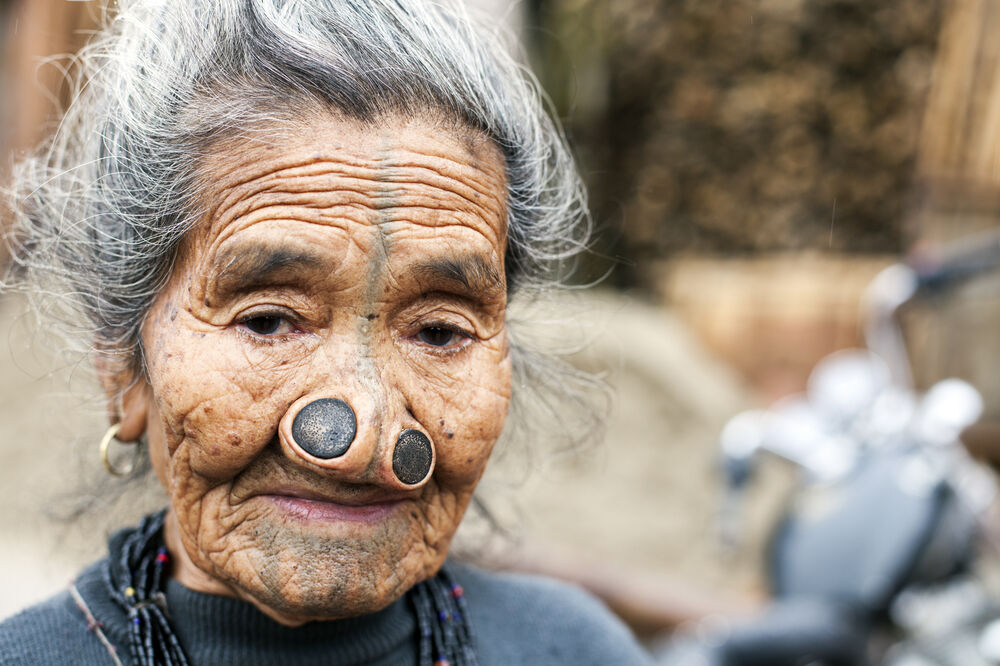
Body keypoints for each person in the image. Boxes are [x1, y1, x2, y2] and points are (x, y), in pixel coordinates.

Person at [0, 1, 651, 664]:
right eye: (268, 321)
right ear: (123, 366)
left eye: (438, 332)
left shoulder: (573, 649)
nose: (363, 437)